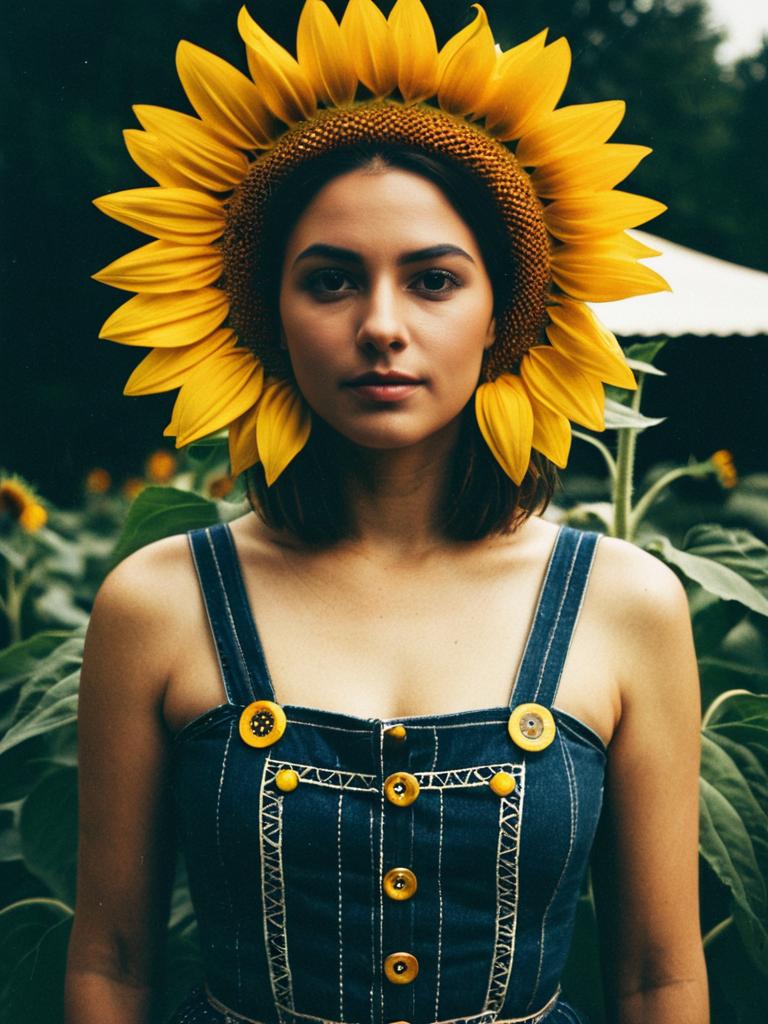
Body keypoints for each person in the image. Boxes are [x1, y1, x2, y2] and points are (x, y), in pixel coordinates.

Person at [65, 2, 709, 1022]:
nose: (379, 325)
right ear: (266, 313)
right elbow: (112, 959)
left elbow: (657, 976)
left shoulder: (624, 602)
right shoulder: (158, 601)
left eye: (434, 280)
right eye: (330, 280)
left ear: (504, 310)